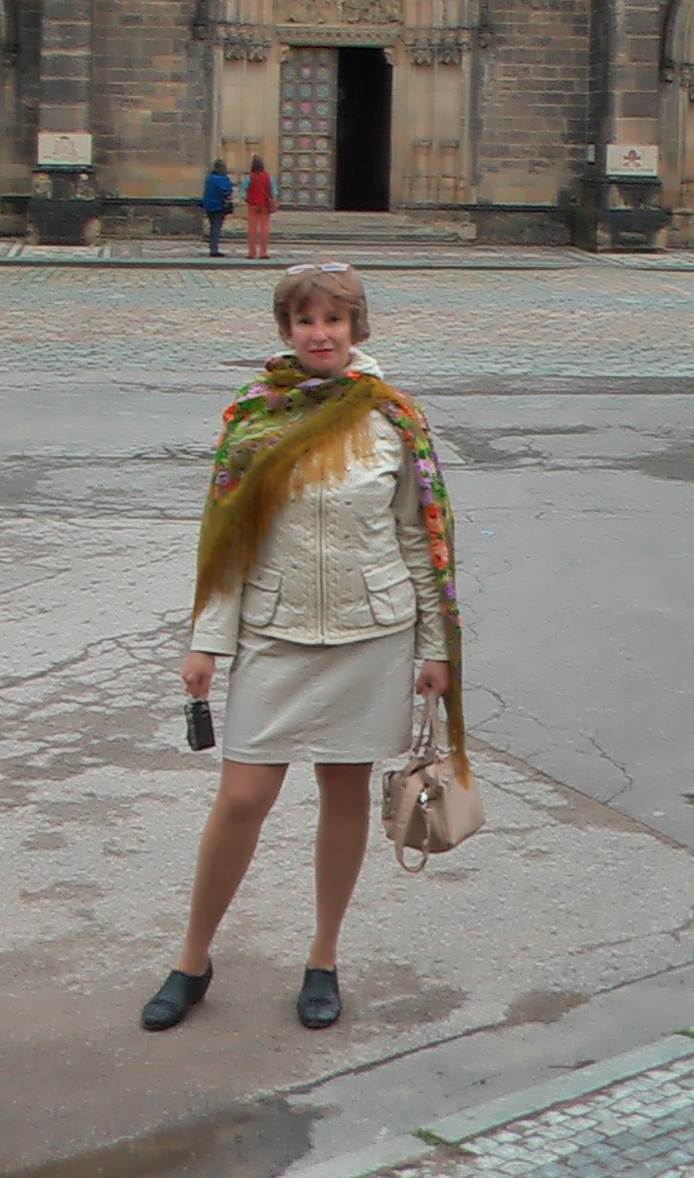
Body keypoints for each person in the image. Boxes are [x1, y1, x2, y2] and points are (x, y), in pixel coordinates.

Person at [141, 263, 468, 1035]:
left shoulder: (393, 419)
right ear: (287, 330)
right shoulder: (256, 416)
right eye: (306, 321)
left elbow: (419, 540)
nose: (320, 334)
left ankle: (323, 959)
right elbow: (229, 539)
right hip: (275, 632)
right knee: (242, 799)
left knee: (343, 795)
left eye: (333, 320)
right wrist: (206, 641)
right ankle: (192, 960)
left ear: (356, 328)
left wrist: (435, 648)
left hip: (371, 637)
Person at [241, 154, 278, 261]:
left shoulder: (249, 177)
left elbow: (243, 191)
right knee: (264, 229)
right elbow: (274, 191)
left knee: (252, 229)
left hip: (252, 205)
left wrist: (247, 199)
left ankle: (252, 252)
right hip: (265, 205)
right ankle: (263, 252)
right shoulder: (268, 177)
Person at [201, 158, 234, 258]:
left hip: (208, 205)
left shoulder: (209, 178)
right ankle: (214, 249)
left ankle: (212, 247)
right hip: (218, 206)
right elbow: (227, 191)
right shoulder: (222, 179)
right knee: (216, 227)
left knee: (212, 227)